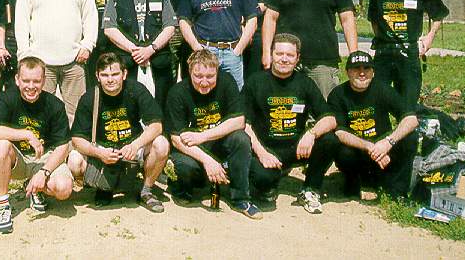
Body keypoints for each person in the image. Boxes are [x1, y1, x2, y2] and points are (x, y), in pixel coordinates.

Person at [243, 33, 338, 214]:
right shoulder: (255, 82)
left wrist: (311, 134)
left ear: (297, 58)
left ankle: (310, 189)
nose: (284, 59)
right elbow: (243, 124)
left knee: (330, 140)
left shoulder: (305, 83)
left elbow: (330, 118)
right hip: (265, 149)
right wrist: (262, 153)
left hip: (297, 148)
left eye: (290, 55)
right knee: (264, 179)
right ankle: (267, 185)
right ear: (271, 54)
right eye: (279, 54)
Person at [165, 50, 261, 219]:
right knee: (183, 167)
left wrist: (203, 136)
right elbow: (176, 139)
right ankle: (183, 191)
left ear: (217, 72)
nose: (204, 82)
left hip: (216, 141)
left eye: (210, 76)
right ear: (190, 72)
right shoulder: (177, 92)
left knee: (241, 138)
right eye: (198, 76)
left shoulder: (227, 81)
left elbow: (239, 121)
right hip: (191, 150)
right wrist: (208, 161)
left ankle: (241, 199)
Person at [14, 0, 98, 122]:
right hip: (41, 62)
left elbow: (90, 16)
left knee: (77, 114)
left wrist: (87, 45)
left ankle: (75, 143)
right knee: (39, 114)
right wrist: (25, 54)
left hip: (74, 60)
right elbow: (21, 22)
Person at [69, 53, 169, 212]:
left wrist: (135, 145)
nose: (110, 79)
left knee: (161, 144)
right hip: (103, 148)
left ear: (124, 74)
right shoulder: (90, 97)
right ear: (97, 76)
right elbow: (76, 139)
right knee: (74, 159)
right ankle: (101, 186)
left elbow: (156, 125)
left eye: (115, 74)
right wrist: (99, 153)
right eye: (105, 75)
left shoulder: (135, 90)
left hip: (132, 146)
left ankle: (146, 190)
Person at [262, 0, 358, 99]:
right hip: (287, 59)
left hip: (323, 60)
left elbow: (347, 19)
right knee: (286, 107)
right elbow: (270, 18)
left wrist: (354, 53)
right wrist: (266, 52)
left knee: (325, 108)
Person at [0, 56, 73, 234]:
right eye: (26, 81)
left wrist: (44, 172)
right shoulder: (7, 98)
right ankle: (2, 205)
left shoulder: (54, 104)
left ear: (44, 81)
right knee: (0, 145)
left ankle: (36, 189)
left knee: (63, 189)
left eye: (36, 81)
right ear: (17, 79)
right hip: (18, 159)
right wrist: (26, 134)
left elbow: (63, 146)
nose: (31, 86)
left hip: (44, 158)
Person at [328, 51, 418, 199]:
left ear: (373, 72)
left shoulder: (383, 89)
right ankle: (353, 185)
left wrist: (388, 142)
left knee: (410, 137)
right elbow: (339, 132)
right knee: (341, 148)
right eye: (356, 68)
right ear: (348, 72)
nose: (362, 73)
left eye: (366, 68)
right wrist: (370, 147)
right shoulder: (338, 94)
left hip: (384, 149)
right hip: (357, 151)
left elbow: (411, 119)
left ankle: (397, 192)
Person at [368, 0, 449, 109]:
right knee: (377, 101)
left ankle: (406, 124)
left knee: (408, 103)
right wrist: (383, 38)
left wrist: (429, 37)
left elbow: (438, 15)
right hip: (384, 54)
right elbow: (374, 21)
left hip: (408, 54)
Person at [103, 0, 176, 110]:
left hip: (157, 63)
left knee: (160, 107)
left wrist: (150, 49)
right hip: (128, 63)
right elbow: (109, 29)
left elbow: (170, 26)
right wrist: (135, 50)